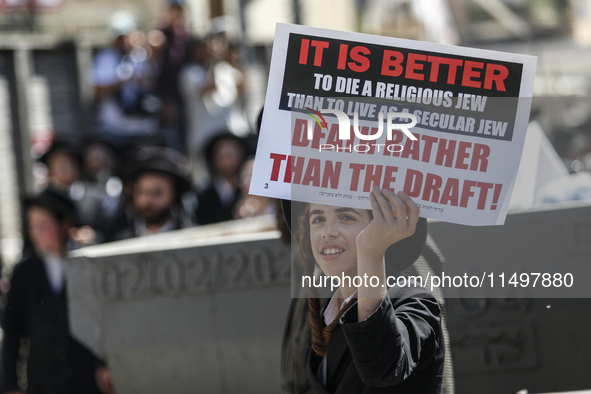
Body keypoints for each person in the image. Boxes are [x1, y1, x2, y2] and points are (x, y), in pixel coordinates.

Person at [292, 188, 444, 393]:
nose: (328, 231)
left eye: (346, 217)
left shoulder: (415, 301)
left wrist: (371, 252)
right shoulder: (327, 312)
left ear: (384, 226)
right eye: (318, 219)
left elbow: (382, 370)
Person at [2, 189, 105, 394]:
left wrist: (105, 364)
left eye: (43, 225)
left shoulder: (90, 262)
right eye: (32, 225)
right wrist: (10, 385)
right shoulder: (25, 271)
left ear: (65, 224)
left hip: (89, 379)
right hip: (45, 381)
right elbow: (12, 331)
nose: (35, 232)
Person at [107, 146, 194, 241]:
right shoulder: (122, 240)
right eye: (141, 192)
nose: (147, 200)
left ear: (174, 195)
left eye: (157, 193)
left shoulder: (192, 237)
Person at [196, 133, 246, 225]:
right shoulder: (202, 197)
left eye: (232, 150)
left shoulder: (250, 190)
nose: (227, 155)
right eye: (221, 151)